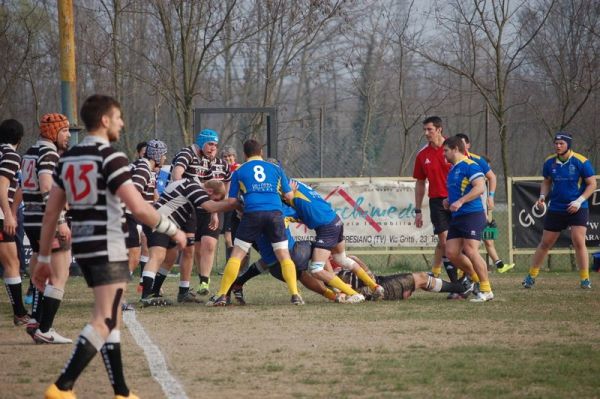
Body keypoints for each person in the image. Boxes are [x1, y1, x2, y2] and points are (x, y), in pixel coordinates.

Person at [33, 94, 186, 399]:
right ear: (104, 120)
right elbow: (140, 209)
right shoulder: (111, 157)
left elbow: (52, 212)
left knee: (110, 316)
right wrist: (173, 230)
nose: (122, 123)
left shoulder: (69, 158)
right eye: (118, 117)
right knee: (104, 319)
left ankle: (121, 390)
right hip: (109, 243)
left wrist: (43, 256)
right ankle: (63, 386)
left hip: (86, 245)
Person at [208, 139, 302, 306]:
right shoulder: (276, 169)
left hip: (252, 214)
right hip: (275, 214)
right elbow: (288, 197)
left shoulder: (239, 170)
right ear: (261, 153)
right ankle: (295, 295)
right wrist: (291, 192)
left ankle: (222, 295)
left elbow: (231, 201)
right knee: (283, 255)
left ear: (244, 154)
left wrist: (228, 206)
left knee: (237, 255)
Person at [140, 179, 236, 306]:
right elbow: (210, 206)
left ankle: (154, 291)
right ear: (209, 191)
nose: (214, 202)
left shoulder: (190, 185)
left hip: (167, 223)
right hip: (159, 220)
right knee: (157, 255)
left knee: (171, 256)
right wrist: (235, 204)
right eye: (215, 198)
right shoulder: (193, 187)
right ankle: (146, 296)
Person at [21, 113, 73, 344]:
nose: (68, 135)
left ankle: (35, 320)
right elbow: (45, 185)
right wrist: (60, 219)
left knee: (43, 274)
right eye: (64, 131)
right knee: (60, 274)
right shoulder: (49, 152)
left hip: (31, 219)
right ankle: (46, 328)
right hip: (47, 220)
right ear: (52, 132)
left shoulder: (30, 151)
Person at [286, 179, 383, 299]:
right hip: (335, 220)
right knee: (341, 259)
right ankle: (375, 286)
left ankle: (354, 294)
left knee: (316, 269)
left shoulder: (287, 189)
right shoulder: (297, 184)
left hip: (326, 227)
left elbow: (288, 199)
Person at [522, 132, 596, 289]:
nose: (558, 146)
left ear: (568, 145)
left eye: (561, 143)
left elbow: (592, 184)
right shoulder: (549, 162)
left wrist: (579, 201)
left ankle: (585, 279)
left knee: (578, 241)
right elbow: (547, 182)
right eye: (556, 143)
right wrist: (542, 196)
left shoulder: (581, 161)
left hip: (577, 207)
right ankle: (531, 276)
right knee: (546, 242)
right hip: (556, 207)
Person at [170, 129, 231, 296]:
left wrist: (215, 211)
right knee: (190, 249)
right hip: (186, 210)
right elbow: (176, 175)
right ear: (202, 143)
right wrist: (187, 190)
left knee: (208, 244)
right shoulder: (188, 154)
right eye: (210, 144)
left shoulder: (215, 163)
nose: (213, 148)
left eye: (216, 145)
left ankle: (204, 281)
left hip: (209, 209)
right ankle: (160, 287)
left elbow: (216, 191)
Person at [442, 136, 494, 302]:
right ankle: (474, 279)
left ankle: (486, 290)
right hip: (458, 217)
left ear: (456, 149)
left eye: (446, 150)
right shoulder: (452, 170)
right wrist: (448, 201)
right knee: (451, 252)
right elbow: (458, 192)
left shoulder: (470, 165)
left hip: (472, 214)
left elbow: (480, 187)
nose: (444, 154)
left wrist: (460, 201)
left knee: (471, 250)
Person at [455, 133, 514, 274]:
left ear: (468, 145)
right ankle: (466, 271)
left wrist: (491, 197)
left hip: (475, 211)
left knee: (484, 241)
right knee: (461, 244)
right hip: (459, 210)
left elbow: (492, 177)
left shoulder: (477, 160)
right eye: (458, 144)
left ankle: (485, 273)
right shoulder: (453, 162)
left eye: (463, 143)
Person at [413, 116, 459, 282]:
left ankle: (470, 278)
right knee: (445, 243)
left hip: (458, 201)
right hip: (437, 203)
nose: (426, 133)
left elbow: (469, 172)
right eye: (424, 130)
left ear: (439, 129)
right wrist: (417, 210)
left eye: (429, 129)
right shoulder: (422, 154)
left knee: (463, 245)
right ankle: (457, 284)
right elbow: (420, 183)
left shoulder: (454, 148)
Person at [334, 255, 473, 301]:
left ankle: (460, 287)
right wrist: (358, 261)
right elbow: (369, 280)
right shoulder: (334, 278)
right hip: (381, 288)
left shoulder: (336, 270)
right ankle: (461, 287)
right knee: (422, 278)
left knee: (423, 280)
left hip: (380, 283)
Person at [0, 118, 29, 326]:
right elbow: (1, 185)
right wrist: (9, 213)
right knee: (12, 263)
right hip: (0, 217)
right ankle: (20, 313)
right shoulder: (10, 155)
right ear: (19, 138)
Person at [127, 140, 165, 295]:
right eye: (163, 155)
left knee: (152, 248)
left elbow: (151, 195)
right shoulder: (143, 168)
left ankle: (146, 286)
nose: (165, 159)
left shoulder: (148, 169)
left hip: (136, 216)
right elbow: (133, 193)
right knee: (133, 257)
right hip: (129, 215)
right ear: (157, 156)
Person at [220, 145, 240, 261]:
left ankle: (232, 263)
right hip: (223, 203)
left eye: (230, 156)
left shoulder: (239, 168)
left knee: (229, 236)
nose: (227, 158)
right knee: (227, 237)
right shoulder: (220, 169)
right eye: (225, 156)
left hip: (233, 204)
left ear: (234, 157)